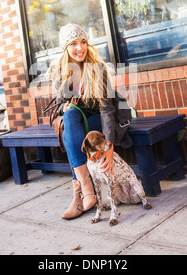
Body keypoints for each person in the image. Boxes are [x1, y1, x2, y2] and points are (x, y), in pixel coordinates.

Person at [50, 23, 132, 220]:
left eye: (83, 42)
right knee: (69, 116)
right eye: (73, 43)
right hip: (77, 122)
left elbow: (107, 111)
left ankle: (81, 195)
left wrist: (108, 147)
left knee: (72, 129)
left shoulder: (98, 70)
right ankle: (86, 187)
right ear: (65, 48)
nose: (80, 48)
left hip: (101, 119)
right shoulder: (61, 73)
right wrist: (65, 107)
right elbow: (60, 104)